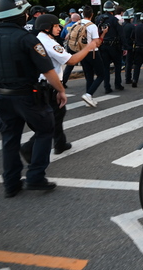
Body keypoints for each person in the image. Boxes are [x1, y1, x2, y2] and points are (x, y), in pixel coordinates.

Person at [0, 0, 66, 198]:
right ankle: (35, 177)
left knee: (9, 139)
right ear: (18, 15)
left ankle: (11, 184)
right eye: (24, 13)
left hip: (3, 97)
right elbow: (48, 70)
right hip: (29, 96)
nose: (26, 16)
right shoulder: (27, 39)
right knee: (45, 130)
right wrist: (60, 90)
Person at [20, 14, 103, 161]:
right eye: (56, 26)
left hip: (39, 85)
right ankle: (29, 148)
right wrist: (89, 47)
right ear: (47, 27)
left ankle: (60, 143)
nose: (60, 28)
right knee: (51, 120)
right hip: (48, 86)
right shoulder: (48, 42)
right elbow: (71, 60)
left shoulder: (37, 39)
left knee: (57, 114)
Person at [79, 6, 106, 107]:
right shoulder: (92, 26)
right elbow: (97, 43)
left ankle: (89, 98)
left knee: (89, 75)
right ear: (92, 14)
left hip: (81, 52)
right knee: (101, 74)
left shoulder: (78, 23)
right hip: (92, 52)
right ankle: (88, 94)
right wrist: (103, 34)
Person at [98, 0, 126, 94]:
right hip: (114, 46)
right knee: (117, 66)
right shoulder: (114, 20)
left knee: (105, 67)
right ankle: (117, 84)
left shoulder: (98, 19)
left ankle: (107, 86)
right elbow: (121, 34)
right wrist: (124, 47)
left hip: (102, 45)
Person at [122, 9, 136, 84]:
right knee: (129, 63)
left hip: (122, 47)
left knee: (124, 63)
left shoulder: (121, 25)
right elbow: (134, 36)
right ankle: (128, 78)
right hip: (129, 46)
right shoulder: (132, 26)